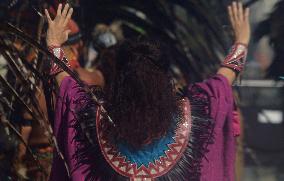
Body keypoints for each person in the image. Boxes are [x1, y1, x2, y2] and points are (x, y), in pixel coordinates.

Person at [45, 2, 250, 180]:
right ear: (165, 77)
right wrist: (241, 41)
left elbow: (66, 84)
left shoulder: (94, 120)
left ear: (119, 78)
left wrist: (54, 44)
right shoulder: (196, 112)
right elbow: (224, 79)